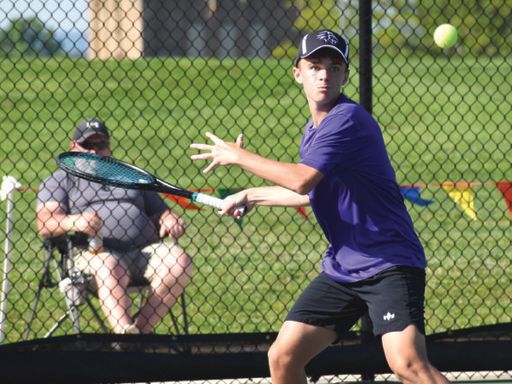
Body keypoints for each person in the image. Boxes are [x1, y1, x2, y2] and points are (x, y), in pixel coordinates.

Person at [190, 30, 449, 383]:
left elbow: (301, 180)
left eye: (333, 66)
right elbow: (313, 192)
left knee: (407, 364)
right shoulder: (314, 131)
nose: (324, 74)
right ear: (298, 73)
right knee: (283, 358)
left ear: (345, 75)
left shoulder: (347, 120)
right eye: (314, 66)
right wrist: (251, 194)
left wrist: (238, 156)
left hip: (388, 262)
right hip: (343, 269)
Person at [36, 118, 192, 334]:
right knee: (110, 264)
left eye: (100, 146)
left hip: (142, 252)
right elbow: (45, 222)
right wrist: (74, 221)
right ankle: (124, 332)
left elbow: (160, 211)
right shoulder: (60, 180)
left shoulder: (129, 175)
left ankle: (138, 335)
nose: (94, 152)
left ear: (108, 148)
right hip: (93, 253)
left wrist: (168, 218)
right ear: (73, 147)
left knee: (178, 260)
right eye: (87, 145)